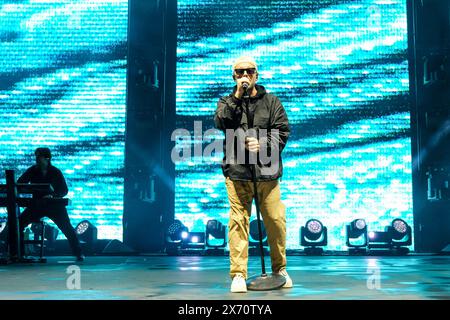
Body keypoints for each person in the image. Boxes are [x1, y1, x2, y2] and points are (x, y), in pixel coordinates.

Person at [214, 56, 291, 292]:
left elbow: (283, 131)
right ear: (234, 77)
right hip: (237, 173)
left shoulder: (271, 101)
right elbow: (221, 122)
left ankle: (280, 269)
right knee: (238, 222)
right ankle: (238, 274)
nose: (245, 75)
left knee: (275, 221)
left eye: (249, 72)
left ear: (257, 75)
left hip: (267, 174)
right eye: (239, 73)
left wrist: (264, 143)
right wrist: (237, 96)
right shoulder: (227, 101)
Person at [17, 147, 84, 262]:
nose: (37, 159)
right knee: (19, 224)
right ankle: (20, 255)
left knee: (67, 228)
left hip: (54, 206)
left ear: (47, 158)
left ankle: (78, 253)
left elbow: (64, 190)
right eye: (36, 156)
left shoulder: (55, 172)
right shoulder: (32, 170)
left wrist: (53, 196)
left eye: (39, 156)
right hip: (37, 205)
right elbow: (19, 184)